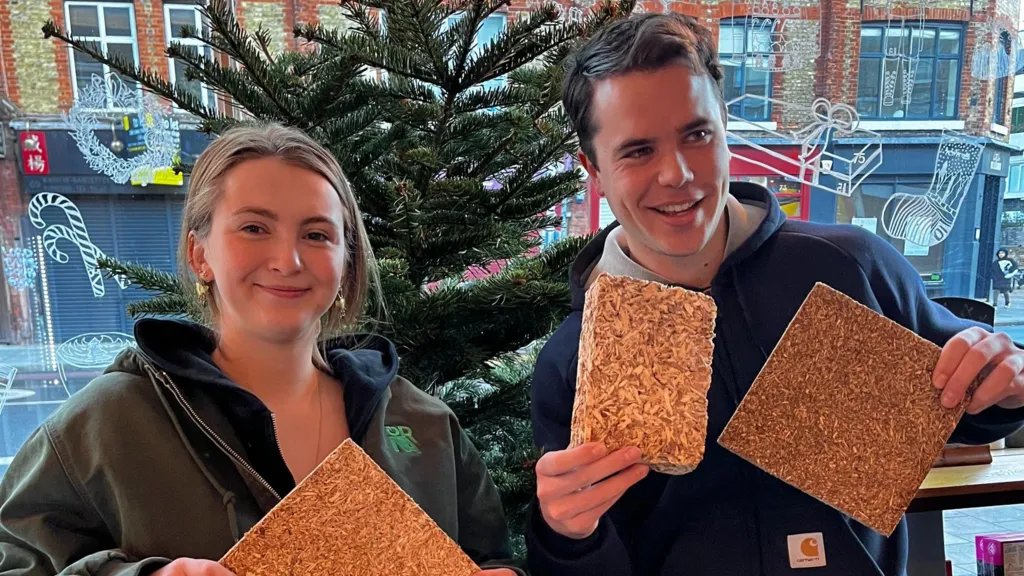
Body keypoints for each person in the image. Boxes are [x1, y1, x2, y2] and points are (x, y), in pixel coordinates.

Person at [526, 13, 1024, 576]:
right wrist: (565, 535)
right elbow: (596, 560)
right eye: (638, 151)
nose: (678, 175)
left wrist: (1005, 383)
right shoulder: (574, 360)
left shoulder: (847, 268)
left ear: (725, 127)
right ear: (593, 168)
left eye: (697, 134)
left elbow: (963, 407)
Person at [0, 124, 520, 576]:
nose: (288, 259)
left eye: (317, 234)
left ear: (345, 261)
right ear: (199, 253)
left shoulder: (423, 424)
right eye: (254, 228)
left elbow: (490, 556)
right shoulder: (103, 427)